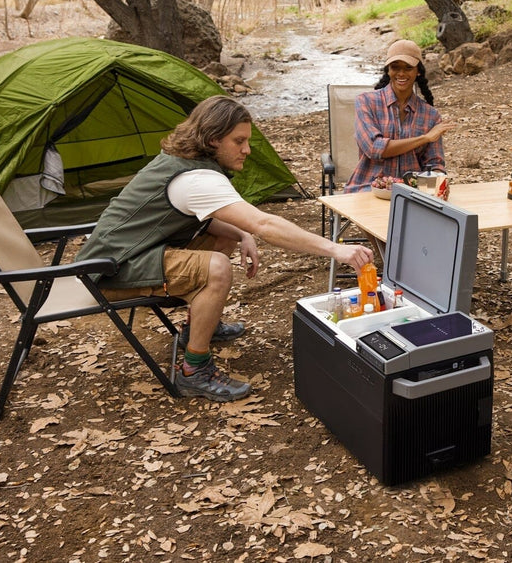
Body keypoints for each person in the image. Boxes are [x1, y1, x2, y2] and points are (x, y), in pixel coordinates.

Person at [76, 96, 374, 402]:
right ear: (212, 139)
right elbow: (265, 224)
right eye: (239, 141)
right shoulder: (196, 179)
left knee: (228, 237)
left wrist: (243, 234)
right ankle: (194, 370)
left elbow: (215, 220)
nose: (247, 150)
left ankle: (200, 326)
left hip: (127, 255)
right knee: (216, 268)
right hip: (108, 272)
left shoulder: (185, 162)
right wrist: (335, 249)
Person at [344, 39, 454, 192]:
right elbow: (374, 148)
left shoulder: (431, 115)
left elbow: (435, 163)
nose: (401, 73)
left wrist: (437, 181)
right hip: (368, 188)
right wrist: (425, 138)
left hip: (412, 192)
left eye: (408, 67)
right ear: (388, 70)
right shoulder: (366, 102)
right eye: (395, 67)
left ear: (418, 71)